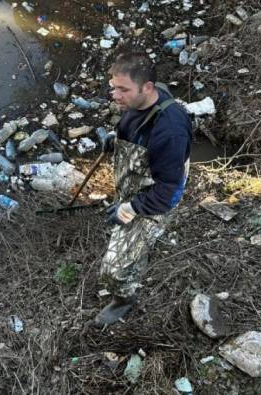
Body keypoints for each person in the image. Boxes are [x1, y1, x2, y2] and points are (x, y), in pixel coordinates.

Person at [94, 52, 192, 326]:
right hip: (138, 178)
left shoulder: (170, 131)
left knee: (112, 269)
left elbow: (169, 192)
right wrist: (116, 137)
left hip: (155, 198)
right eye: (113, 87)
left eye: (122, 90)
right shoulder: (147, 95)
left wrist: (130, 208)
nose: (115, 95)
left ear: (147, 87)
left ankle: (124, 299)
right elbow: (134, 124)